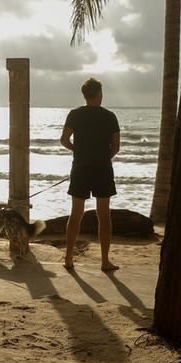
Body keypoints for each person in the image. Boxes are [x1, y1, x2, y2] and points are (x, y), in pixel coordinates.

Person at [60, 78, 120, 272]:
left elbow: (64, 140)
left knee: (76, 213)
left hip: (80, 168)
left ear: (85, 95)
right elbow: (116, 146)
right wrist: (103, 157)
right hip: (102, 169)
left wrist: (78, 151)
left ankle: (68, 258)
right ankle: (105, 261)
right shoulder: (109, 116)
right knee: (104, 215)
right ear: (99, 94)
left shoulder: (75, 114)